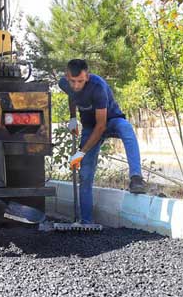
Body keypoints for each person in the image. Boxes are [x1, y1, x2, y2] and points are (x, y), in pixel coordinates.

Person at [61, 59, 145, 223]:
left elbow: (101, 126)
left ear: (87, 76)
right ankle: (86, 222)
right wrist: (72, 118)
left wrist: (80, 152)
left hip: (110, 121)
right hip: (89, 127)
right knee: (85, 175)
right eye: (73, 81)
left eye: (80, 81)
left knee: (126, 129)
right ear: (67, 77)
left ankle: (136, 178)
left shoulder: (97, 87)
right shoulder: (64, 84)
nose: (76, 85)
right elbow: (72, 95)